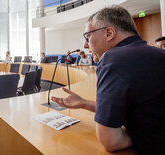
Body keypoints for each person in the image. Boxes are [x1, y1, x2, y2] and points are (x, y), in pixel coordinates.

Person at [51, 6, 165, 154]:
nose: (85, 45)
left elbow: (111, 141)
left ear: (109, 33)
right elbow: (140, 109)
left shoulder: (112, 59)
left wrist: (145, 134)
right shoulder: (157, 54)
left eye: (87, 37)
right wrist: (84, 103)